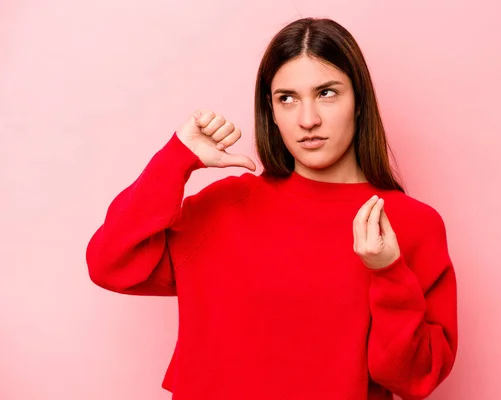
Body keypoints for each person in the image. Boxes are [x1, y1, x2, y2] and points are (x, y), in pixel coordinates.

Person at [86, 17, 458, 400]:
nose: (308, 120)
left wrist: (388, 272)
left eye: (327, 93)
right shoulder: (224, 208)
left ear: (359, 101)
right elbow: (110, 265)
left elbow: (415, 379)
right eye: (287, 98)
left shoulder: (409, 225)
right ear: (271, 109)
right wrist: (176, 159)